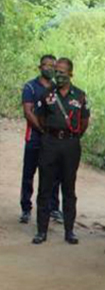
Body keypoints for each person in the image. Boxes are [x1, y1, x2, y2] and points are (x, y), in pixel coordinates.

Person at [33, 58, 90, 245]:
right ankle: (41, 231)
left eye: (62, 72)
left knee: (69, 188)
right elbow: (40, 119)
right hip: (49, 143)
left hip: (70, 145)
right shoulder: (46, 94)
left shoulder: (80, 96)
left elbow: (84, 122)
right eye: (56, 71)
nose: (58, 75)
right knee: (45, 187)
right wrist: (52, 133)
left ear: (70, 74)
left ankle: (69, 231)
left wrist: (71, 136)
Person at [20, 54, 61, 224]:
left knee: (53, 174)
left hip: (51, 140)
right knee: (29, 173)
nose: (50, 68)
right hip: (34, 138)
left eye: (53, 65)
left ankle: (53, 208)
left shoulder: (57, 88)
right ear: (40, 67)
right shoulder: (30, 87)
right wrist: (42, 129)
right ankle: (26, 208)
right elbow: (28, 112)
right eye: (46, 65)